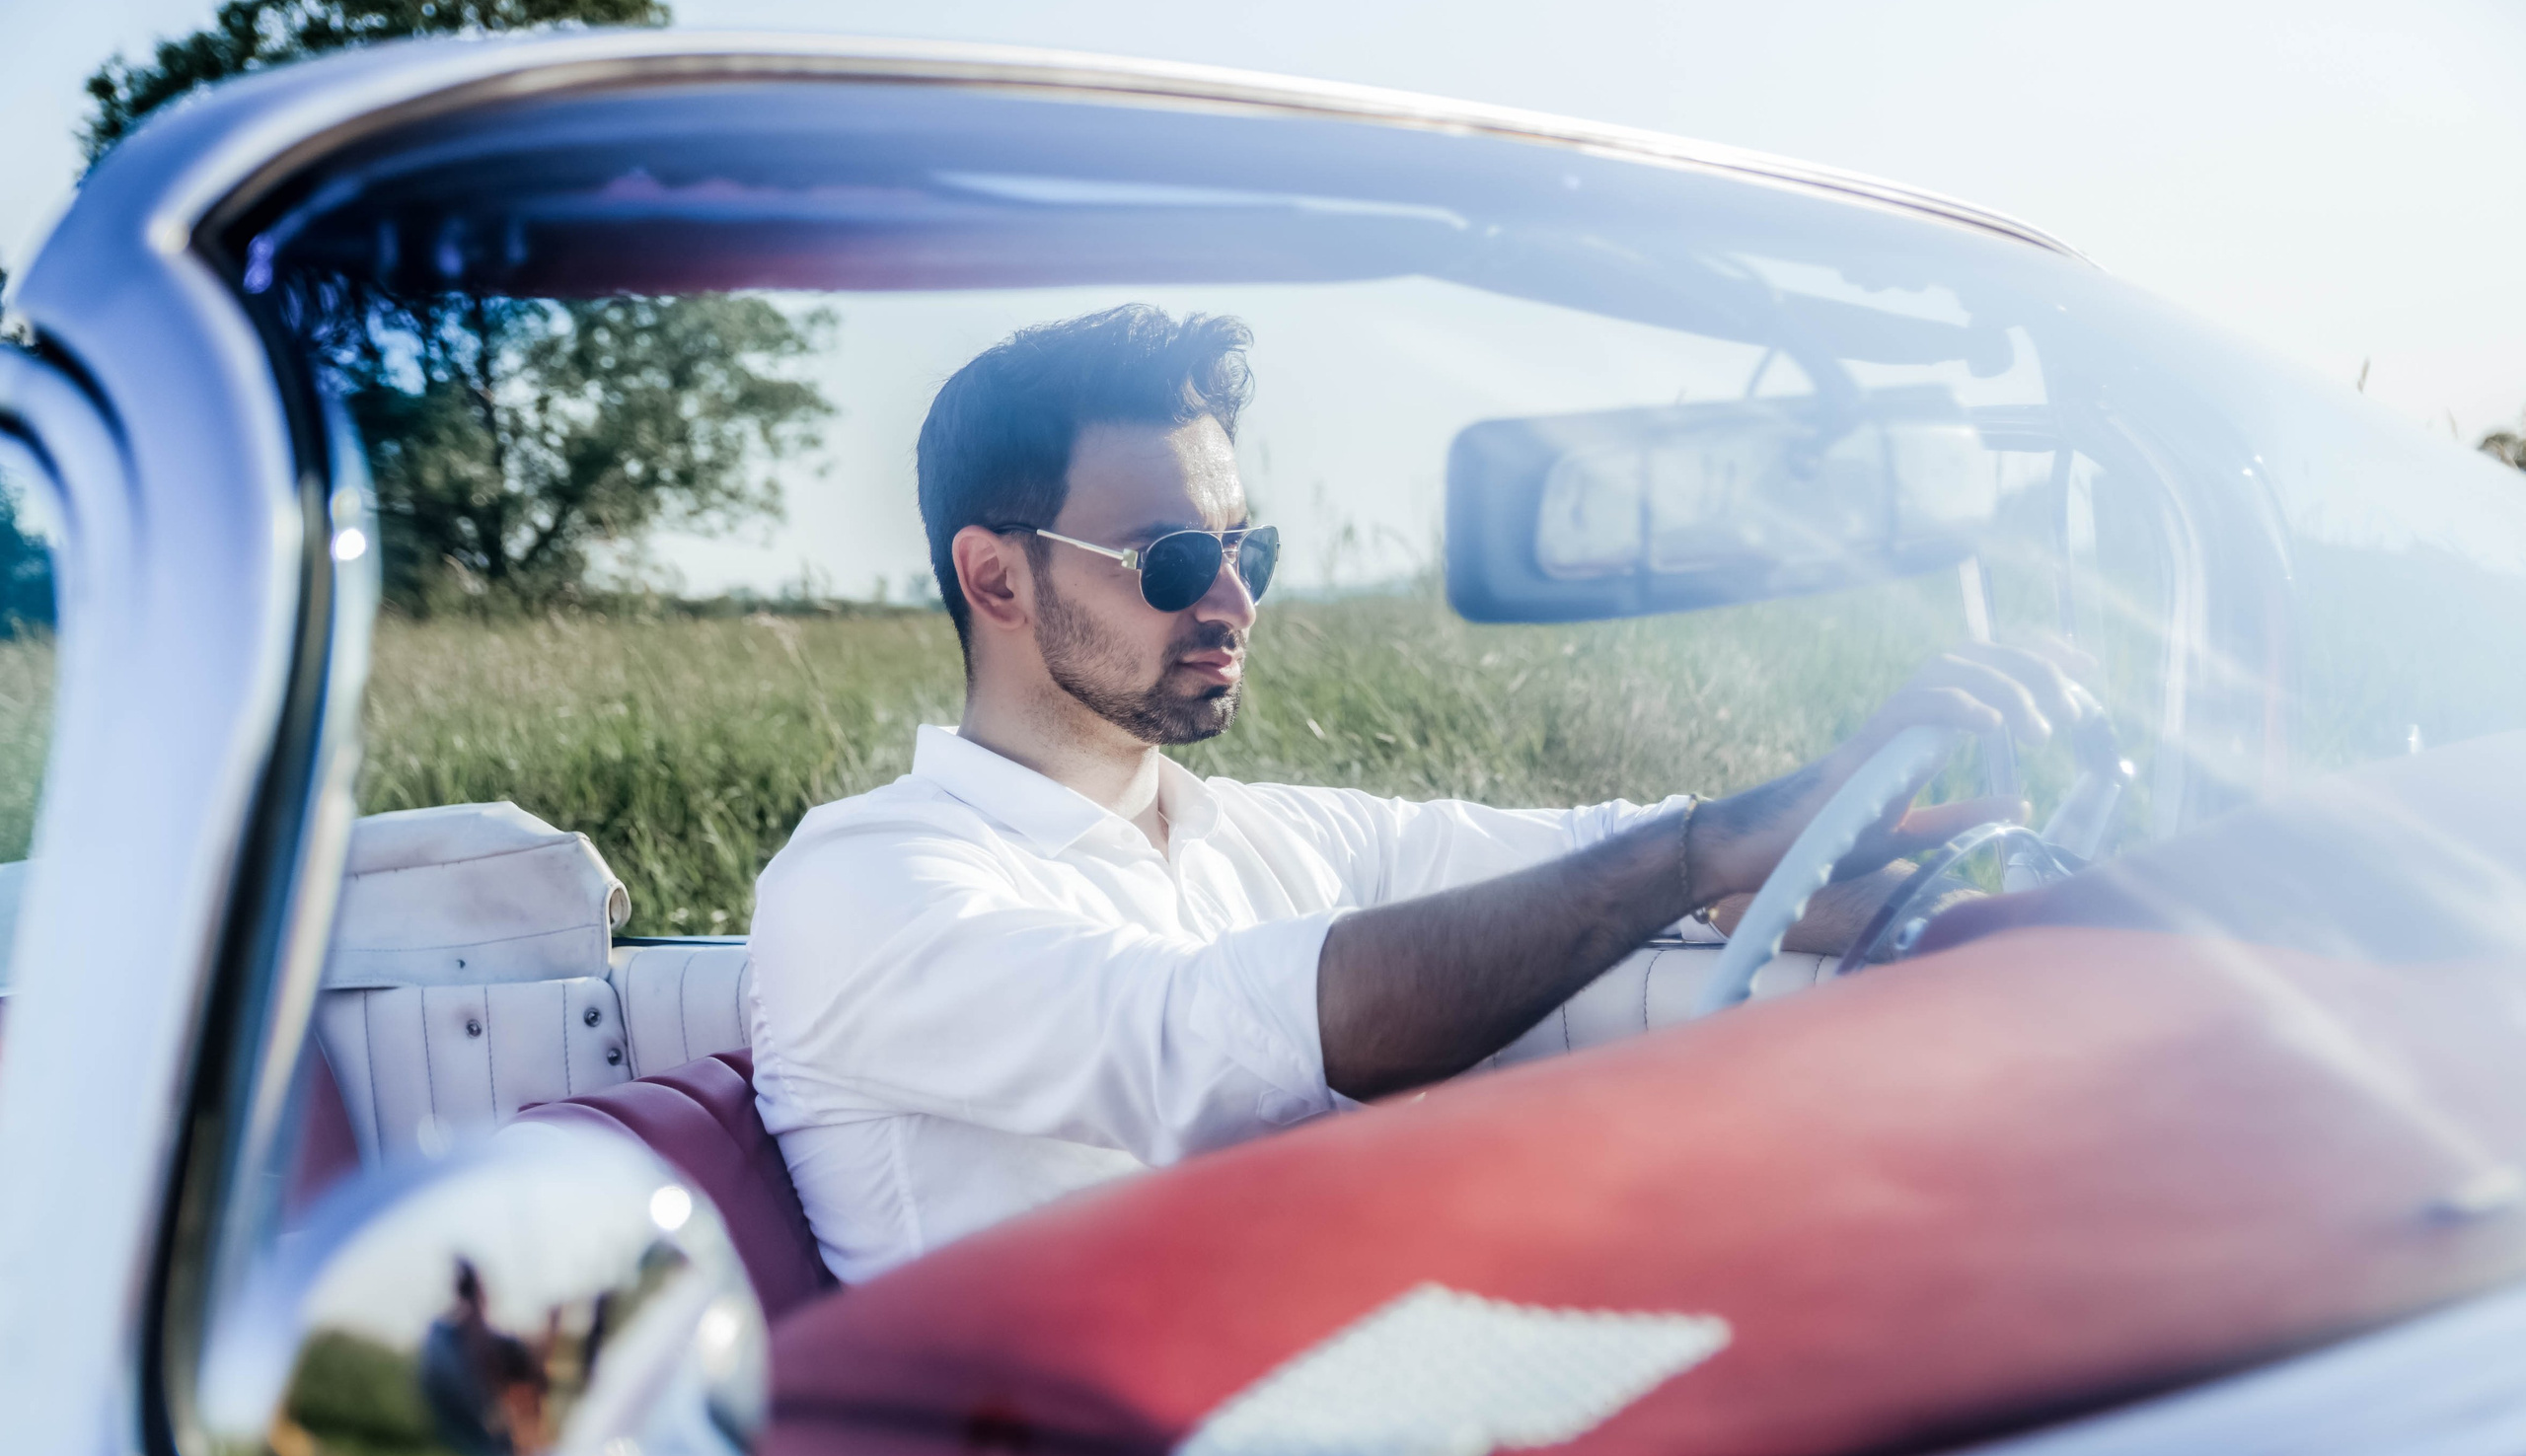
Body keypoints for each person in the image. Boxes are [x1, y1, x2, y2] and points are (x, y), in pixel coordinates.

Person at [747, 306, 2087, 1283]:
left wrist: (1884, 876)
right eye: (1169, 561)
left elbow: (1591, 856)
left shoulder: (1263, 835)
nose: (1232, 602)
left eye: (1244, 546)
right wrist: (1699, 853)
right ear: (997, 581)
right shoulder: (865, 883)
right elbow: (1199, 1048)